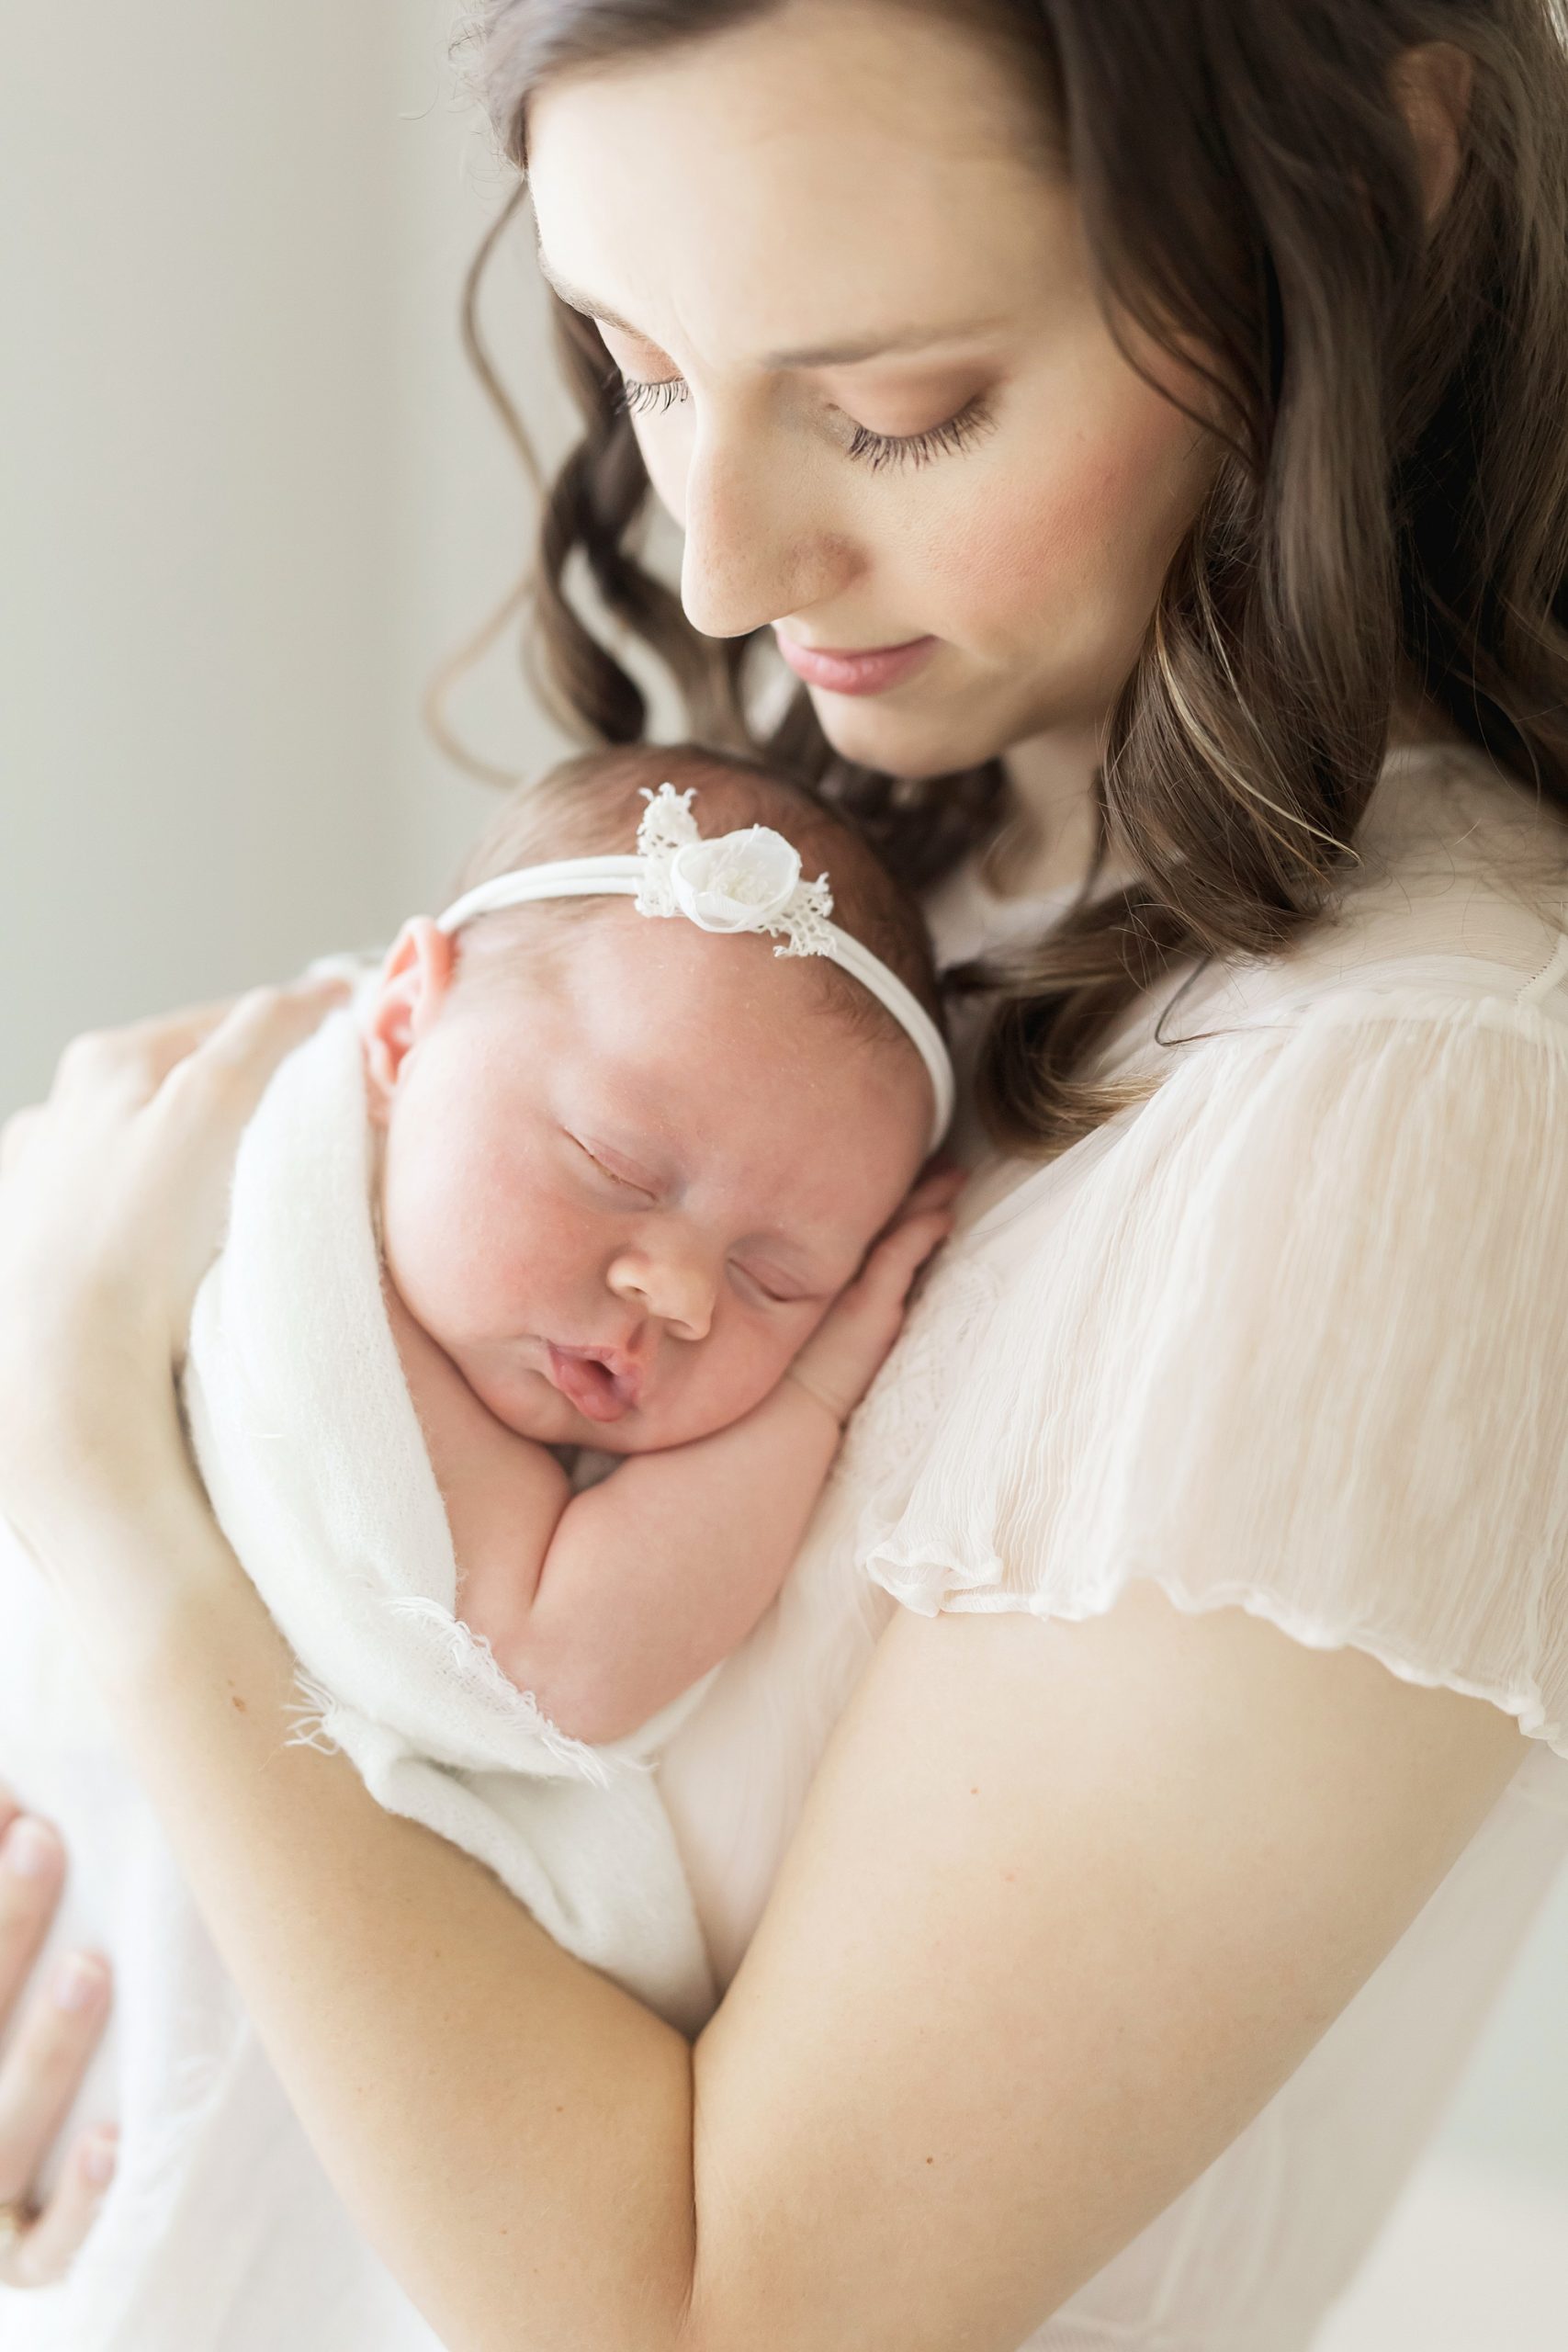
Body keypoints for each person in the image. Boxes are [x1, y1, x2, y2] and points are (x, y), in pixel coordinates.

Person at [2, 2, 1567, 2345]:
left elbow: (715, 2316)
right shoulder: (856, 874)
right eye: (637, 361)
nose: (719, 566)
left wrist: (93, 1488)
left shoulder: (1415, 1099)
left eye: (897, 404)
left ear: (1378, 175)